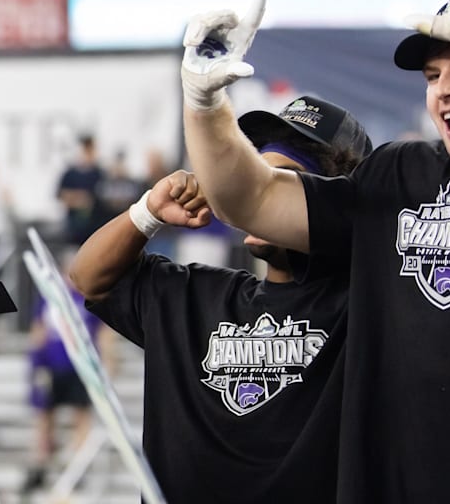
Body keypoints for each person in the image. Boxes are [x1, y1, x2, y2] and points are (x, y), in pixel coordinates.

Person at [177, 0, 450, 502]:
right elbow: (250, 200)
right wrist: (204, 105)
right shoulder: (397, 176)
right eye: (432, 76)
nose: (444, 89)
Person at [69, 96, 371, 503]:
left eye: (279, 183)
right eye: (251, 177)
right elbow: (90, 278)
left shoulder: (371, 309)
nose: (252, 195)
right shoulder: (197, 297)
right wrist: (148, 212)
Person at [21, 258, 115, 495]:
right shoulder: (50, 296)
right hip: (51, 365)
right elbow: (39, 330)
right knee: (44, 417)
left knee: (80, 416)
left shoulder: (90, 299)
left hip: (80, 365)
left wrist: (107, 365)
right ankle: (41, 465)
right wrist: (34, 363)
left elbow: (103, 334)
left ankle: (77, 467)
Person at [56, 135, 106, 247]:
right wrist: (80, 199)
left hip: (95, 230)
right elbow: (61, 195)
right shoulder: (70, 174)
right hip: (73, 230)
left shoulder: (100, 173)